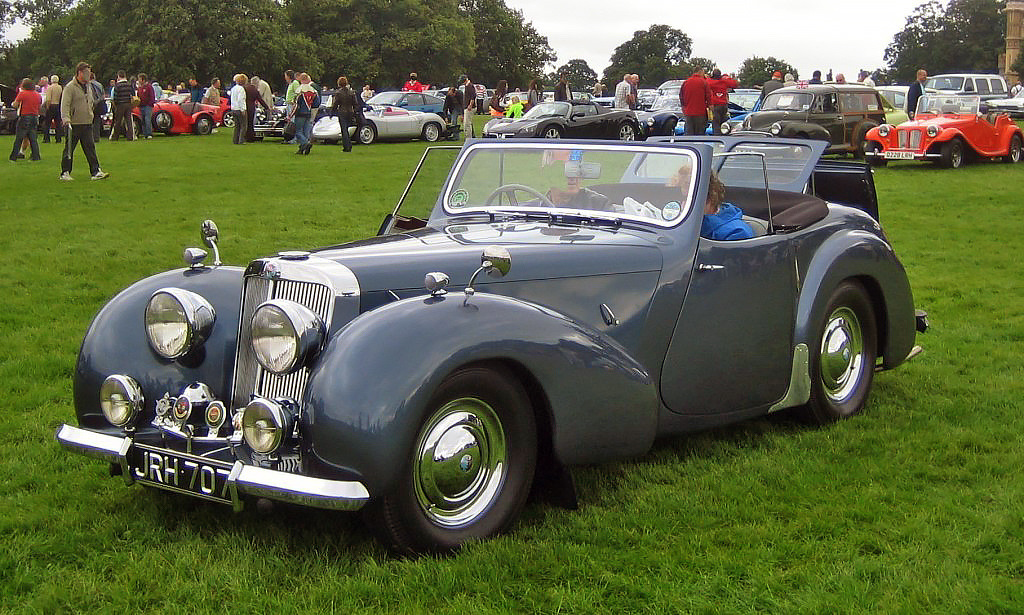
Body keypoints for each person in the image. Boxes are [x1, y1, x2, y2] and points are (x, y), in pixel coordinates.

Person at [59, 62, 108, 180]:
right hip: (73, 123)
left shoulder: (88, 86)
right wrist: (66, 119)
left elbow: (90, 101)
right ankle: (65, 172)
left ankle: (95, 171)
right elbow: (65, 104)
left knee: (90, 147)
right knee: (69, 148)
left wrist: (91, 113)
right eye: (86, 73)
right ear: (79, 73)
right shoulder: (70, 87)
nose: (88, 75)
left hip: (86, 122)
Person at [700, 170, 752, 241]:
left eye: (687, 198)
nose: (682, 206)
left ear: (710, 198)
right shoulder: (684, 225)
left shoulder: (738, 233)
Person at [9, 78, 42, 162]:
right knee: (33, 138)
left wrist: (12, 104)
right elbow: (39, 106)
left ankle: (14, 156)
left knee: (19, 137)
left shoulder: (22, 94)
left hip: (25, 116)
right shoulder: (38, 95)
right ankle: (36, 156)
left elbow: (15, 105)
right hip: (35, 116)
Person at [290, 72, 320, 154]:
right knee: (306, 132)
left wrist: (290, 115)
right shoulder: (313, 91)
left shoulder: (299, 91)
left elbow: (296, 104)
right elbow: (316, 103)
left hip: (300, 114)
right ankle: (302, 149)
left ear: (301, 80)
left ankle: (305, 144)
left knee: (298, 131)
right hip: (309, 113)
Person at [681, 67, 712, 136]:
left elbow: (681, 97)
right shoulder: (704, 82)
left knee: (689, 135)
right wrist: (711, 108)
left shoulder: (686, 82)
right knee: (699, 135)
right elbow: (708, 97)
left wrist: (684, 108)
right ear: (700, 72)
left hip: (688, 113)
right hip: (700, 113)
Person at [330, 76, 357, 152]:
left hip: (342, 112)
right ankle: (348, 144)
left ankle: (347, 146)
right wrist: (354, 111)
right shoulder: (351, 92)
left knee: (344, 130)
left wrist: (332, 113)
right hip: (350, 112)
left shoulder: (338, 93)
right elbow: (355, 103)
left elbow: (336, 104)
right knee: (347, 129)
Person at [707, 69, 739, 135]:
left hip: (715, 105)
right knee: (724, 122)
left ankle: (716, 137)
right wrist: (730, 77)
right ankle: (724, 135)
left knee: (716, 123)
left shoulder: (709, 82)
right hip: (724, 105)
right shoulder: (724, 81)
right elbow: (735, 84)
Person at [109, 71, 134, 141]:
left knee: (118, 121)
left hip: (120, 104)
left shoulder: (117, 86)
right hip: (128, 104)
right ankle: (130, 136)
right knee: (129, 121)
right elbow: (132, 94)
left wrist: (116, 105)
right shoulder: (129, 84)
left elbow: (115, 97)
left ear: (119, 76)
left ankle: (115, 136)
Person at [243, 75, 269, 142]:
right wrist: (267, 107)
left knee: (245, 122)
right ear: (256, 83)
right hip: (251, 107)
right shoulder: (255, 90)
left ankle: (244, 136)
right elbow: (260, 100)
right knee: (250, 123)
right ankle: (250, 137)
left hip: (244, 107)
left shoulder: (245, 88)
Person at [42, 73, 63, 143]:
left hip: (51, 105)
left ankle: (46, 138)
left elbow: (48, 99)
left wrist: (47, 107)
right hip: (58, 106)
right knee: (58, 123)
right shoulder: (60, 87)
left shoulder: (50, 88)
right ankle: (58, 138)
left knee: (47, 123)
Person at [229, 73, 248, 145]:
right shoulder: (241, 89)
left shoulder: (233, 89)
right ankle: (241, 140)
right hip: (239, 109)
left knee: (237, 126)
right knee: (243, 125)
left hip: (233, 108)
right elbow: (241, 100)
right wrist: (243, 109)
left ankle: (235, 140)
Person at [283, 70, 299, 144]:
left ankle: (294, 139)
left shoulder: (295, 83)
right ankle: (289, 138)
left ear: (289, 76)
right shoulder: (290, 84)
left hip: (292, 104)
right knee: (289, 121)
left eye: (286, 75)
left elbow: (297, 93)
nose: (285, 77)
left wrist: (293, 100)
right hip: (288, 104)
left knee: (293, 121)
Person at [88, 75, 106, 142]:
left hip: (92, 105)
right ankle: (97, 137)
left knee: (90, 122)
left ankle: (90, 137)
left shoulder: (88, 85)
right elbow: (103, 95)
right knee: (97, 122)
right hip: (99, 105)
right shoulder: (99, 85)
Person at [137, 73, 154, 139]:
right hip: (141, 106)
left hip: (148, 106)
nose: (138, 80)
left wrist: (150, 104)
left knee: (147, 120)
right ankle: (145, 134)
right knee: (143, 120)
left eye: (139, 79)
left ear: (143, 79)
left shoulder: (149, 87)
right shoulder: (140, 88)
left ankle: (149, 133)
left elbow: (152, 96)